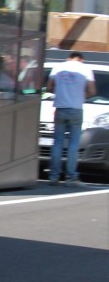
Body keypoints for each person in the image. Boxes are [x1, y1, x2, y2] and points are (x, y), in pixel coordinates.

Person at [47, 51, 95, 183]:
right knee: (73, 144)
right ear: (81, 59)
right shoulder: (85, 69)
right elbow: (92, 91)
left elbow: (49, 87)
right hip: (76, 109)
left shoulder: (58, 67)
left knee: (57, 143)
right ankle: (71, 176)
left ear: (69, 58)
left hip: (60, 108)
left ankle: (54, 176)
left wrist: (61, 93)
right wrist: (80, 96)